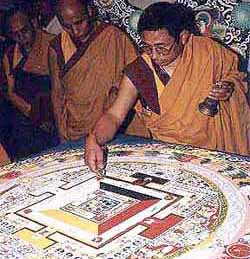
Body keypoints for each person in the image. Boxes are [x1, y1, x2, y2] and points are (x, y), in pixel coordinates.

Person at [85, 2, 250, 172]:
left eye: (161, 48)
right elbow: (114, 116)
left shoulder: (209, 53)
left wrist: (229, 88)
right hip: (171, 158)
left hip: (217, 156)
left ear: (183, 37)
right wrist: (94, 138)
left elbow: (236, 79)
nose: (154, 55)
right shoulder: (140, 71)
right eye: (147, 47)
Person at [49, 0, 137, 142]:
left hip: (114, 124)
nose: (75, 31)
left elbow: (134, 78)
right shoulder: (57, 47)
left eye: (79, 22)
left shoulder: (113, 37)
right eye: (67, 26)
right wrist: (61, 133)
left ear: (90, 11)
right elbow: (57, 92)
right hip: (77, 127)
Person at [1, 8, 59, 161]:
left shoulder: (53, 44)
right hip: (26, 117)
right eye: (15, 34)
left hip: (52, 117)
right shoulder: (11, 54)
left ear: (34, 23)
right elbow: (11, 92)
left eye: (24, 31)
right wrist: (33, 114)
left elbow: (61, 89)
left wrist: (45, 117)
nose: (21, 38)